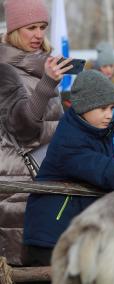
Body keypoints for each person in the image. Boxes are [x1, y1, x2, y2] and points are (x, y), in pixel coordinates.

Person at [23, 70, 114, 266]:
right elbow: (105, 169)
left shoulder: (99, 133)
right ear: (83, 107)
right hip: (50, 237)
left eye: (112, 108)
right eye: (103, 108)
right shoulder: (69, 141)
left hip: (75, 233)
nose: (109, 115)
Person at [0, 0, 73, 265]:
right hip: (17, 180)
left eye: (43, 27)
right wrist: (47, 84)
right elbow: (23, 128)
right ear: (15, 29)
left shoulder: (39, 66)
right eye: (31, 27)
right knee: (23, 266)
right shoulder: (5, 70)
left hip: (43, 175)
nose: (39, 34)